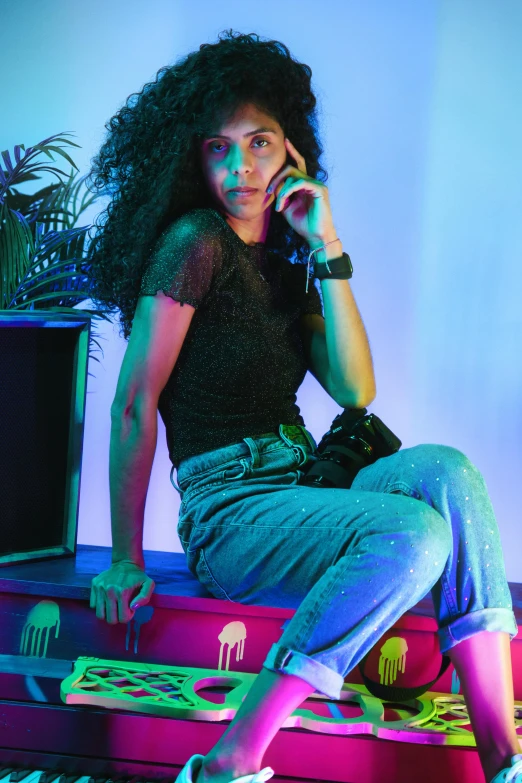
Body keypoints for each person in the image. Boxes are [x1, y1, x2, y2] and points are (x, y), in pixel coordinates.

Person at [86, 30, 521, 783]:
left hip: (303, 489)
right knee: (413, 532)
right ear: (194, 157)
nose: (240, 166)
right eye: (219, 148)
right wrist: (125, 559)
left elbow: (355, 390)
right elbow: (134, 402)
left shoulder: (286, 263)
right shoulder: (195, 243)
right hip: (233, 513)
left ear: (291, 150)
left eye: (259, 143)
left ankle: (503, 757)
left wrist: (325, 242)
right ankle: (232, 756)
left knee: (447, 471)